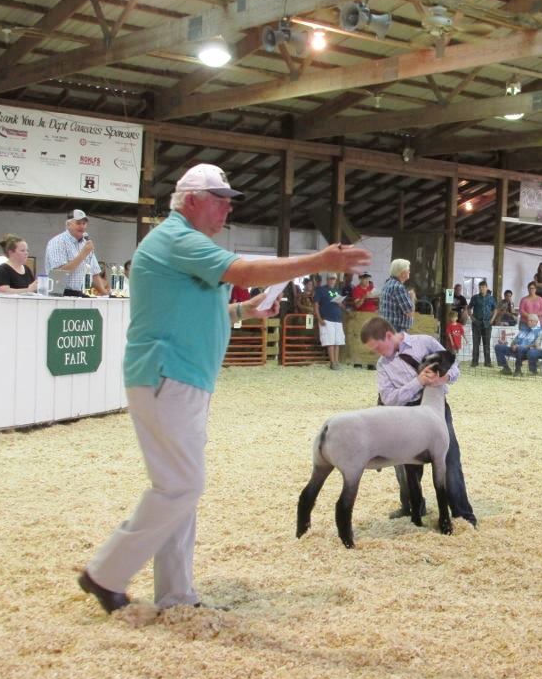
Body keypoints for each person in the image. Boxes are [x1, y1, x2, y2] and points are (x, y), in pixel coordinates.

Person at [78, 163, 369, 614]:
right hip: (168, 374)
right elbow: (243, 270)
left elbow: (189, 308)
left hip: (178, 377)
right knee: (182, 487)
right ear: (192, 200)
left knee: (177, 489)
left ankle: (176, 597)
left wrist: (242, 312)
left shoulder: (182, 244)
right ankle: (105, 573)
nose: (228, 208)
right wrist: (318, 262)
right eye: (220, 200)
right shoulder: (179, 238)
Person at [361, 316, 476, 527]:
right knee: (405, 466)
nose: (377, 353)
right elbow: (388, 398)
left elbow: (454, 365)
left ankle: (462, 514)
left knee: (449, 459)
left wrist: (444, 378)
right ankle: (413, 508)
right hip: (406, 416)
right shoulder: (383, 365)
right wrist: (418, 382)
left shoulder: (424, 342)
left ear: (388, 335)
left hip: (435, 411)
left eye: (377, 347)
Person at [44, 209, 101, 297]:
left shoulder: (86, 243)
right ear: (68, 224)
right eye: (78, 223)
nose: (82, 226)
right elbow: (59, 273)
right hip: (62, 294)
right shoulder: (58, 242)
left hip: (83, 293)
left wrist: (106, 292)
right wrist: (83, 254)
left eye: (84, 223)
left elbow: (95, 273)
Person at [313, 273, 346, 370]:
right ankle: (332, 363)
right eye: (330, 279)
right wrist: (319, 318)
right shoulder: (321, 290)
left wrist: (341, 304)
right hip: (327, 319)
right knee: (330, 342)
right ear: (327, 280)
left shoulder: (337, 291)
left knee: (337, 342)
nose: (332, 281)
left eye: (334, 279)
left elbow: (343, 306)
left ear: (335, 280)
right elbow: (316, 305)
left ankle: (336, 362)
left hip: (338, 319)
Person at [379, 258, 414, 333]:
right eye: (408, 269)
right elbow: (409, 312)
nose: (409, 271)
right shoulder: (398, 287)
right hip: (396, 329)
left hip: (387, 327)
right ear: (402, 272)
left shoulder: (388, 283)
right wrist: (411, 297)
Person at [467, 280, 496, 367]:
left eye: (483, 287)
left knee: (487, 343)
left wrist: (492, 319)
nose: (481, 289)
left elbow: (495, 309)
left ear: (486, 288)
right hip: (476, 323)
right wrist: (471, 317)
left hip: (487, 323)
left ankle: (487, 362)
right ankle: (474, 362)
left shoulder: (491, 298)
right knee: (476, 343)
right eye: (480, 287)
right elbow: (469, 308)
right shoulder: (475, 297)